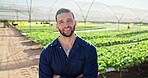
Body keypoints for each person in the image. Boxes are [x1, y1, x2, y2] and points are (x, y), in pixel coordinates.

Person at [39, 8, 98, 78]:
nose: (66, 25)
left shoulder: (89, 49)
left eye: (69, 20)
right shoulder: (47, 53)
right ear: (57, 26)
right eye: (61, 22)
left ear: (75, 23)